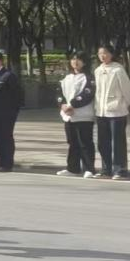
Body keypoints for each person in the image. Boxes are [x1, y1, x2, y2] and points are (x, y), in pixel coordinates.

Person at [93, 45, 130, 180]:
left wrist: (122, 105)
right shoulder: (98, 70)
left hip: (117, 113)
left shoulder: (118, 69)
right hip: (101, 112)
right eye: (100, 53)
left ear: (111, 54)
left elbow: (128, 90)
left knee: (117, 143)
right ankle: (106, 169)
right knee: (103, 142)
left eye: (105, 53)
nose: (103, 56)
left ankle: (120, 170)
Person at [57, 51, 97, 179]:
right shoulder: (67, 77)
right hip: (68, 116)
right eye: (73, 59)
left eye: (78, 59)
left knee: (85, 142)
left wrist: (72, 105)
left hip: (83, 115)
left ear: (84, 62)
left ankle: (89, 168)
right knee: (72, 142)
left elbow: (87, 94)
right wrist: (63, 105)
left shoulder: (88, 77)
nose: (75, 62)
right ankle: (73, 168)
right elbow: (59, 93)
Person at [0, 49, 20, 173]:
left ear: (1, 60)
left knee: (6, 138)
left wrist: (13, 112)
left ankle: (7, 163)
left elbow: (17, 96)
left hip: (6, 114)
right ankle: (0, 161)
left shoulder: (8, 75)